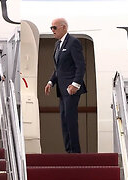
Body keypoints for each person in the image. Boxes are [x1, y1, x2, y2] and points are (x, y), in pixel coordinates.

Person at [44, 18, 87, 153]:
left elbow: (81, 66)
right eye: (51, 28)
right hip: (62, 89)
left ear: (64, 27)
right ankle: (69, 150)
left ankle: (75, 152)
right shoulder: (58, 45)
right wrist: (51, 82)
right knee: (64, 120)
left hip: (71, 89)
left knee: (70, 119)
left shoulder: (73, 42)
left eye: (54, 28)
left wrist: (75, 84)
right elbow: (59, 68)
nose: (52, 30)